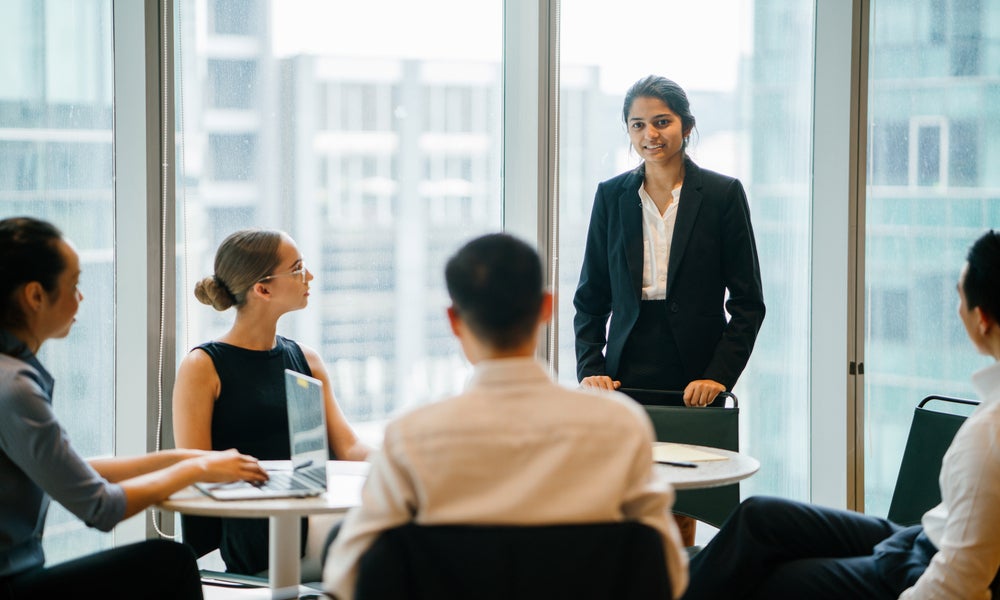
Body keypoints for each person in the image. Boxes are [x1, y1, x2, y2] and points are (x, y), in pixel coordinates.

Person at [322, 232, 688, 599]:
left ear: (453, 319)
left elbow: (348, 576)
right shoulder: (620, 425)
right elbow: (666, 572)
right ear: (547, 307)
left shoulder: (412, 436)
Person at [681, 229, 1000, 600]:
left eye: (959, 298)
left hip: (926, 568)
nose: (956, 308)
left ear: (982, 318)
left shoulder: (988, 437)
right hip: (923, 538)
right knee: (758, 518)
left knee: (774, 580)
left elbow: (959, 583)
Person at [0, 216, 267, 599]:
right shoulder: (15, 387)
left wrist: (183, 459)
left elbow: (74, 471)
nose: (81, 298)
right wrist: (197, 467)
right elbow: (101, 508)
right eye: (74, 285)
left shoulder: (11, 375)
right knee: (169, 561)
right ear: (35, 296)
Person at [573, 74, 766, 545]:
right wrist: (590, 368)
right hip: (624, 373)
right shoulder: (610, 196)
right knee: (624, 500)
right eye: (637, 125)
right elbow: (590, 298)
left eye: (662, 122)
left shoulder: (722, 195)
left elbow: (747, 303)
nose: (650, 135)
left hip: (694, 376)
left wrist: (719, 375)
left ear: (686, 126)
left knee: (685, 503)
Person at [172, 228, 371, 579]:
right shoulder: (202, 366)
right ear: (262, 289)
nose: (309, 276)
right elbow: (196, 468)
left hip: (309, 513)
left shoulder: (306, 360)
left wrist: (408, 461)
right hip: (250, 528)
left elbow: (349, 447)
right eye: (297, 269)